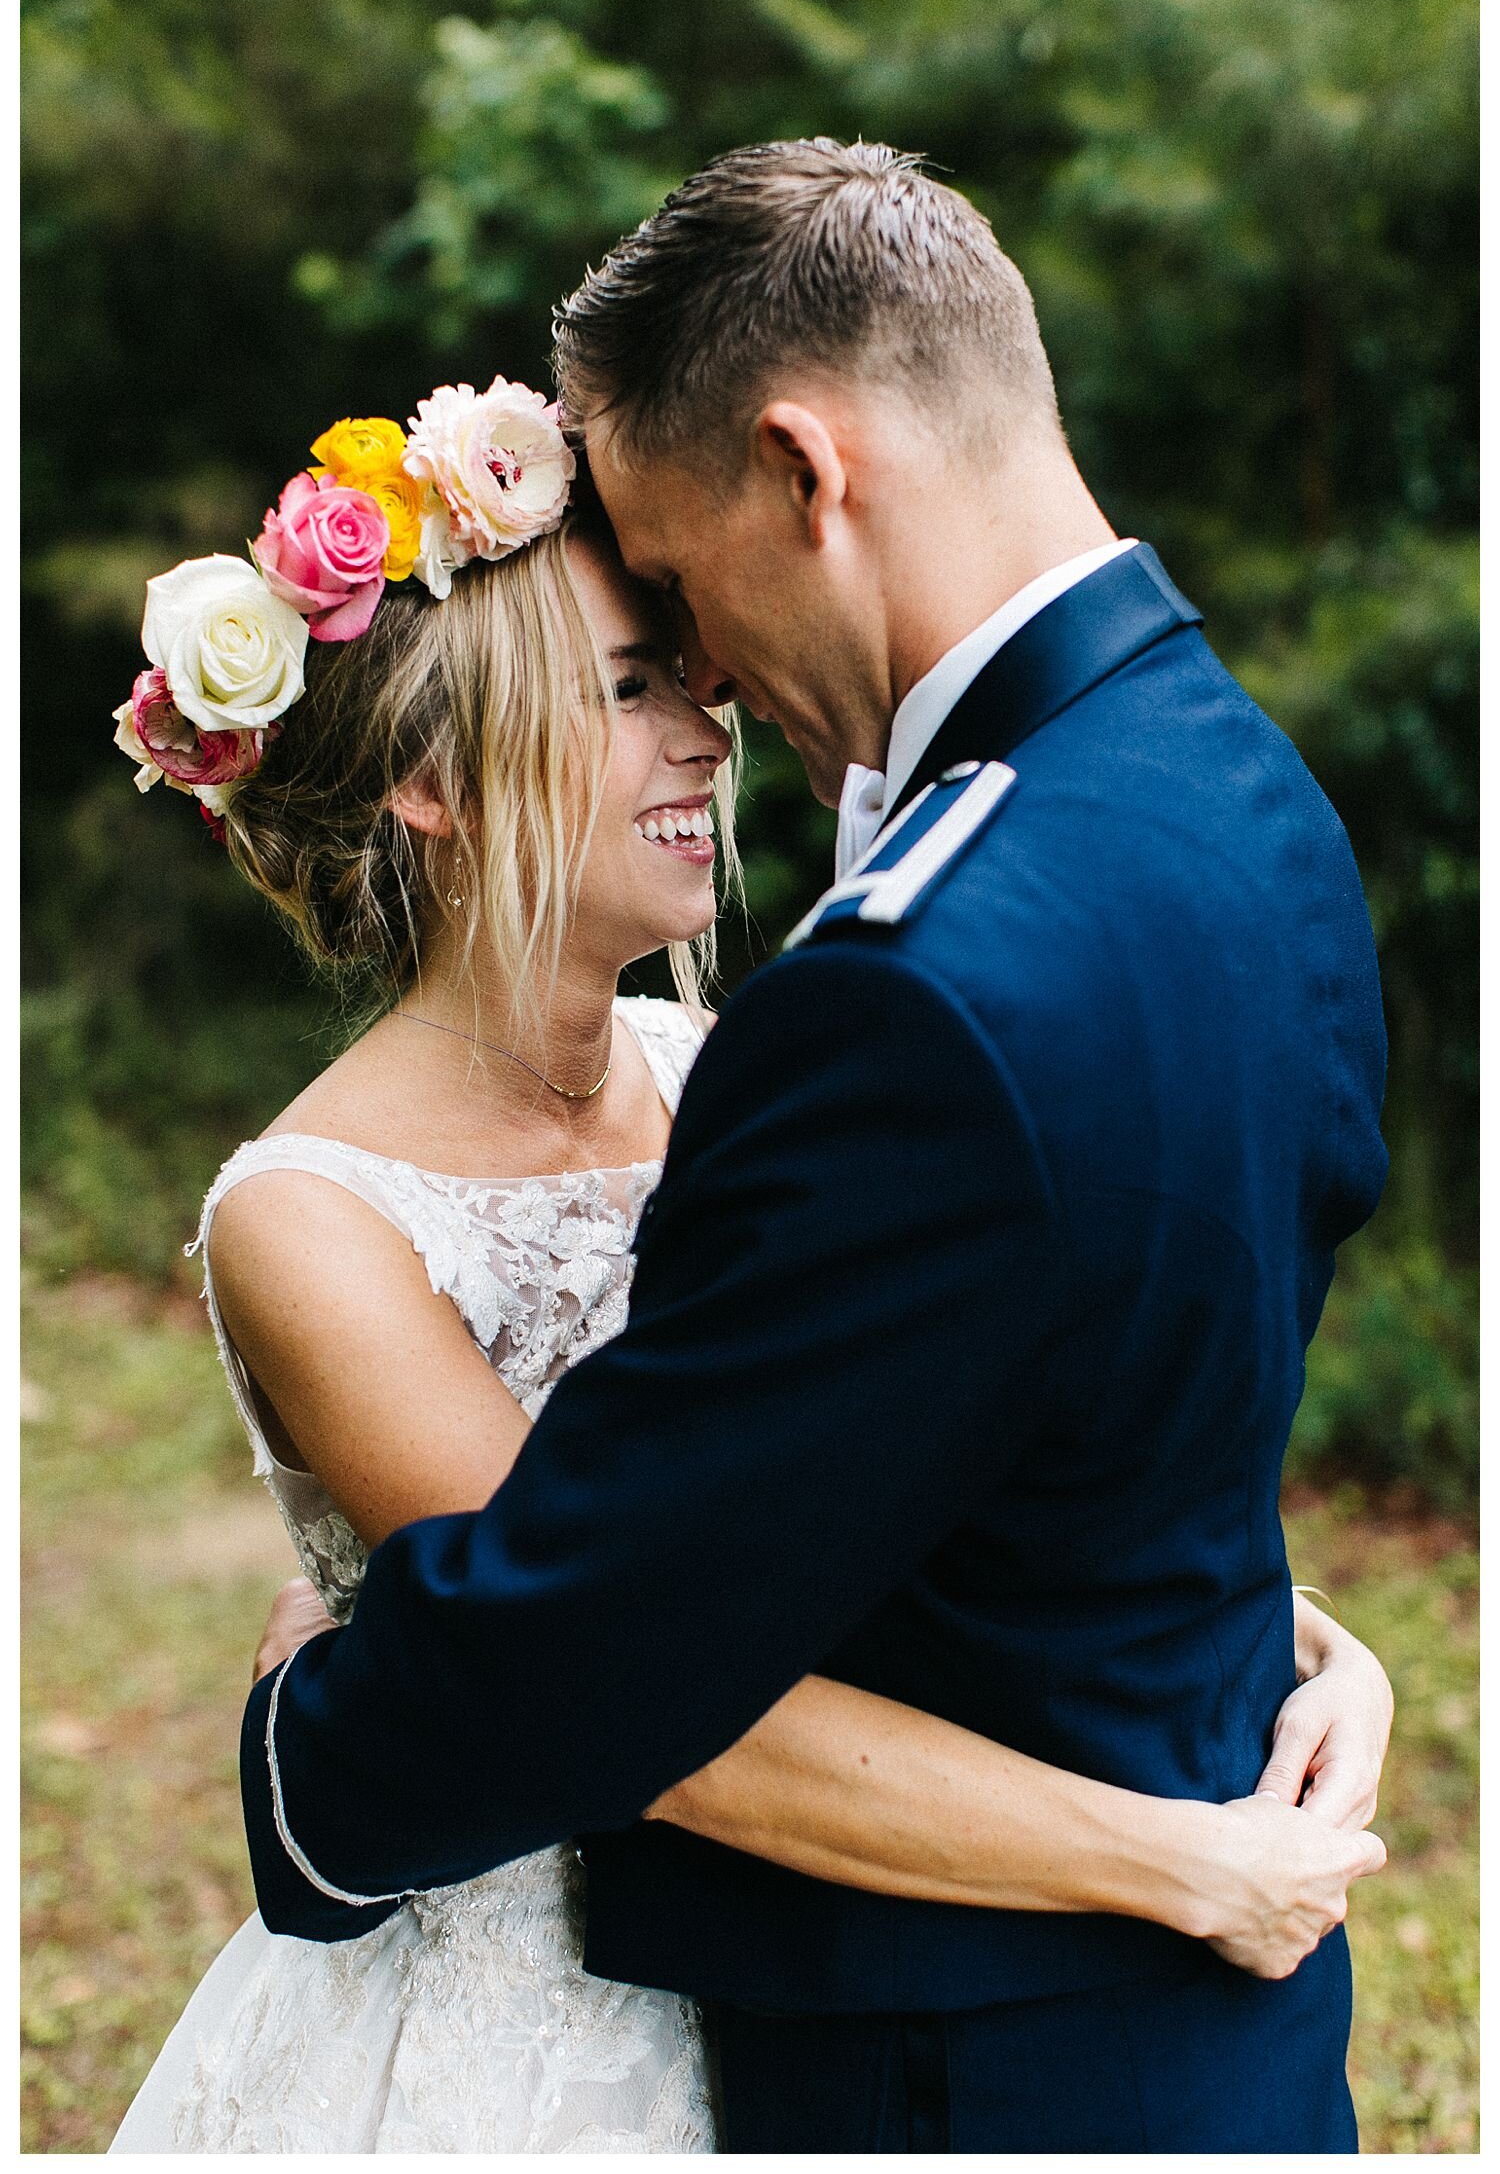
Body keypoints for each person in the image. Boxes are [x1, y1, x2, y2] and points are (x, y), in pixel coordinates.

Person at [109, 378, 1385, 2153]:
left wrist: (1312, 1650)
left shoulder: (744, 1066)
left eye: (689, 670)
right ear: (428, 781)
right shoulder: (311, 1215)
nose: (704, 721)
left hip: (828, 1970)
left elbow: (961, 1487)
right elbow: (616, 1693)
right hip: (535, 2029)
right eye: (628, 687)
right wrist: (1177, 1858)